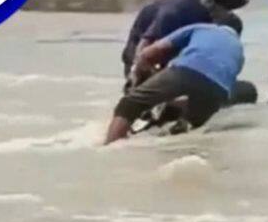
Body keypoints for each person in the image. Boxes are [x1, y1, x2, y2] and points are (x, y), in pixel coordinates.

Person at [104, 17, 245, 145]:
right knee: (188, 127)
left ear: (217, 24)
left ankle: (110, 148)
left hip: (187, 69)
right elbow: (215, 82)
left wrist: (142, 77)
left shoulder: (202, 27)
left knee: (130, 103)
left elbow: (148, 53)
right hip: (219, 89)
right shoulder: (240, 50)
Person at [121, 0, 249, 79]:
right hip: (145, 45)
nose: (230, 13)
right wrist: (137, 71)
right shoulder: (177, 12)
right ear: (214, 3)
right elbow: (144, 46)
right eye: (228, 9)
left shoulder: (222, 19)